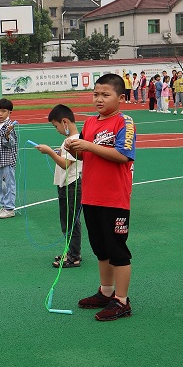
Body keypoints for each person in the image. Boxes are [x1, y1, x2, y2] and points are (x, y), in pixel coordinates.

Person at [65, 73, 136, 321]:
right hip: (91, 196)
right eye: (96, 94)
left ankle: (122, 301)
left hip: (114, 198)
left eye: (105, 94)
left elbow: (123, 155)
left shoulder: (124, 122)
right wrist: (74, 148)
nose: (99, 99)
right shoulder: (90, 123)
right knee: (100, 249)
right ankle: (106, 293)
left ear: (121, 98)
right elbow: (86, 155)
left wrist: (88, 146)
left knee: (117, 250)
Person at [34, 104, 82, 268]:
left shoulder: (75, 140)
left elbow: (65, 164)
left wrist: (50, 152)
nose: (57, 130)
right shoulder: (69, 140)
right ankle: (71, 251)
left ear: (65, 122)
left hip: (73, 184)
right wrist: (58, 151)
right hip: (65, 184)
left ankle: (74, 256)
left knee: (71, 221)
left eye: (56, 126)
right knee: (66, 220)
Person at [0, 98, 18, 218]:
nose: (0, 114)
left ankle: (10, 208)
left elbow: (11, 144)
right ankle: (3, 206)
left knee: (8, 184)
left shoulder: (9, 126)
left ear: (9, 112)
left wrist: (7, 134)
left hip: (7, 161)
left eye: (3, 111)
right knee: (0, 185)